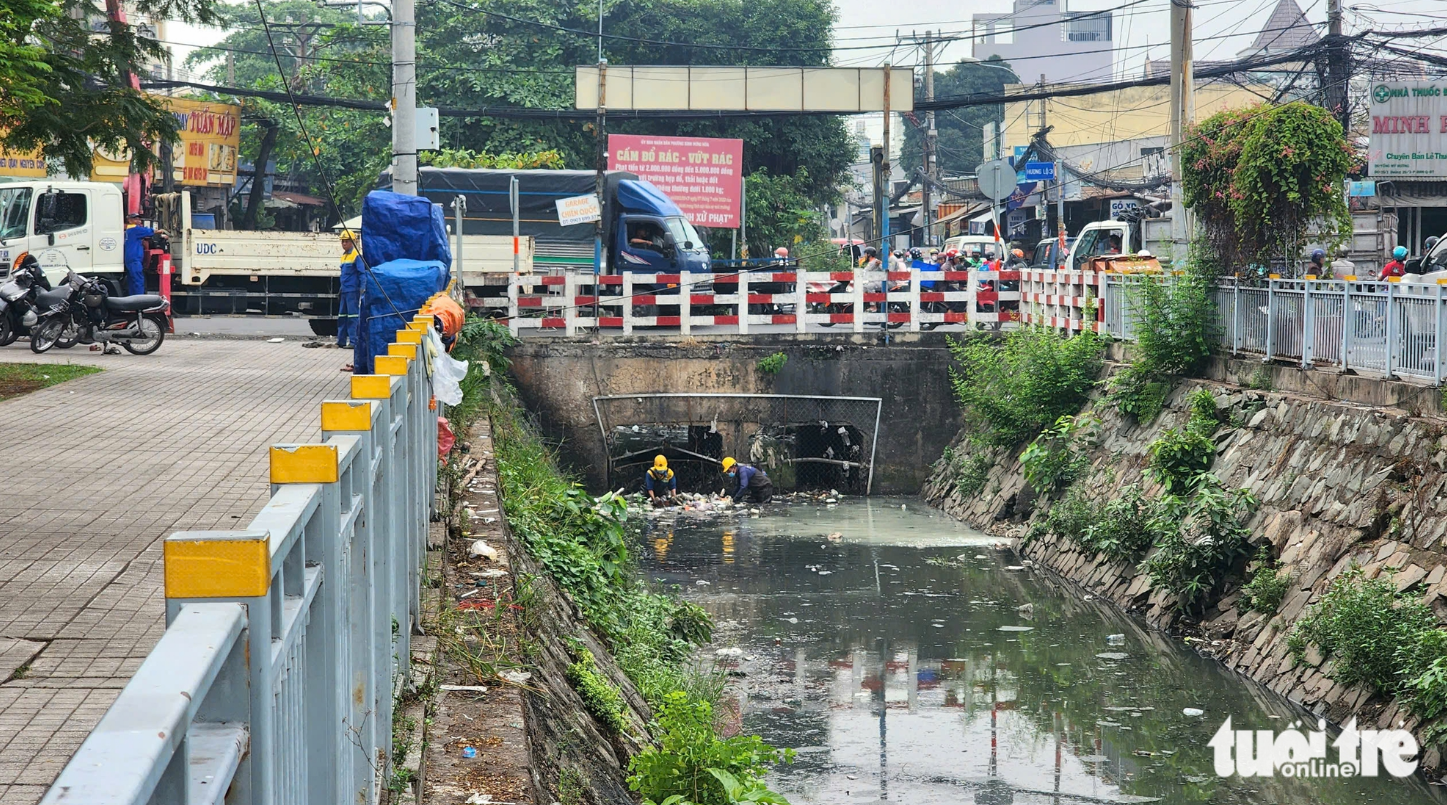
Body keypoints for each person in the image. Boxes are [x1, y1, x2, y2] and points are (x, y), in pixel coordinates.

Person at [123, 213, 165, 296]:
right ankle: (139, 303)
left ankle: (132, 302)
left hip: (129, 259)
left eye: (139, 219)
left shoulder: (128, 230)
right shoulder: (135, 230)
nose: (138, 221)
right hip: (135, 259)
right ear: (129, 220)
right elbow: (149, 231)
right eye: (135, 219)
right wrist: (161, 231)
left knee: (132, 281)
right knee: (138, 281)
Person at [336, 232, 362, 350]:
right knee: (342, 316)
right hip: (345, 290)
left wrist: (362, 288)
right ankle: (341, 341)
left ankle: (353, 341)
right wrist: (341, 289)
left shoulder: (356, 256)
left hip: (352, 290)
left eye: (346, 241)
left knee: (352, 316)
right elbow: (344, 275)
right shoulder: (344, 256)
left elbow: (362, 273)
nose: (344, 243)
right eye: (343, 241)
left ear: (353, 242)